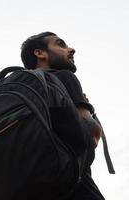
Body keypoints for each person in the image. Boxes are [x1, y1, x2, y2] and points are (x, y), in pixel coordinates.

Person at [20, 32, 105, 200]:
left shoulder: (20, 89)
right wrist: (90, 116)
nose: (71, 50)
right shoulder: (63, 78)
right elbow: (90, 136)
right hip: (71, 185)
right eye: (61, 45)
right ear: (40, 53)